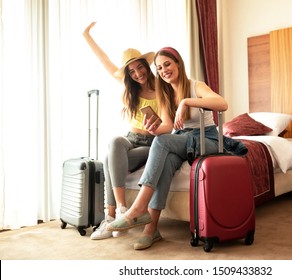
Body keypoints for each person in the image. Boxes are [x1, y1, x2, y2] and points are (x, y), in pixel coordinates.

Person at [106, 47, 231, 250]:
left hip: (206, 138)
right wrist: (154, 129)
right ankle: (151, 229)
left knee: (163, 142)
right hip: (182, 139)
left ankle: (137, 209)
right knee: (164, 160)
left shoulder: (195, 86)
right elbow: (167, 127)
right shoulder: (164, 93)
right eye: (159, 67)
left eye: (167, 64)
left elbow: (222, 104)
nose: (164, 70)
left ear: (178, 64)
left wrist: (185, 102)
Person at [83, 22, 161, 240]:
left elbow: (168, 122)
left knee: (108, 158)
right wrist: (87, 36)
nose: (137, 74)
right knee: (114, 143)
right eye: (132, 71)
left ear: (147, 65)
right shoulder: (130, 88)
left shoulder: (161, 89)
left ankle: (111, 217)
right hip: (131, 139)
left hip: (152, 143)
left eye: (140, 67)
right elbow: (105, 61)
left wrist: (157, 125)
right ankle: (122, 210)